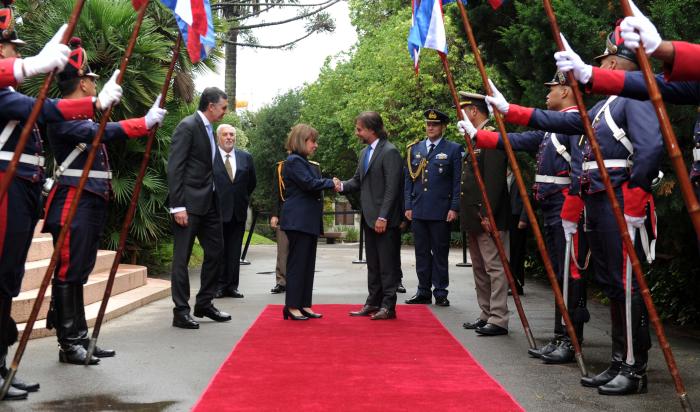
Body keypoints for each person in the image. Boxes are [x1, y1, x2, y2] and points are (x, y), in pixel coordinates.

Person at [486, 26, 662, 395]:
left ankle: (633, 366)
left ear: (615, 62)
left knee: (627, 285)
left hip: (618, 201)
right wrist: (511, 111)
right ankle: (619, 360)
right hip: (599, 200)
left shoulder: (636, 97)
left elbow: (649, 150)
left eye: (604, 62)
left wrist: (635, 196)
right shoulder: (602, 107)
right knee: (614, 284)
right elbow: (564, 121)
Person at [0, 19, 121, 399]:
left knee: (10, 279)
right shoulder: (8, 95)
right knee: (9, 278)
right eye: (11, 49)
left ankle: (2, 365)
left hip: (24, 193)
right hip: (18, 192)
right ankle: (69, 340)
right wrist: (97, 105)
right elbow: (45, 110)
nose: (16, 54)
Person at [43, 38, 166, 365]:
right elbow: (103, 133)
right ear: (82, 82)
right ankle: (69, 342)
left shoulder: (80, 115)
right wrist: (144, 123)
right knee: (70, 271)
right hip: (73, 200)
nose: (94, 86)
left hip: (90, 200)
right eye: (92, 80)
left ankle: (81, 337)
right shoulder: (61, 115)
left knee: (80, 271)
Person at [459, 74, 589, 362]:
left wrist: (573, 207)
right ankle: (561, 336)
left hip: (566, 208)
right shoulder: (550, 129)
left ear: (566, 90)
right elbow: (513, 140)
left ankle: (570, 339)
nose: (547, 94)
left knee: (569, 276)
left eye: (552, 88)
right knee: (558, 275)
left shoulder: (573, 124)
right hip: (551, 208)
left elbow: (580, 169)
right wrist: (479, 135)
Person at [554, 1, 700, 202]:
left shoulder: (630, 102)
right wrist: (590, 74)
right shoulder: (609, 104)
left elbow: (648, 148)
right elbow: (652, 84)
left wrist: (662, 49)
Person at [168, 87, 231, 329]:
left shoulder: (209, 129)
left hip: (209, 203)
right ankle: (180, 311)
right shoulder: (187, 126)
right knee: (181, 258)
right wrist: (177, 206)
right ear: (211, 105)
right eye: (223, 107)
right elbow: (175, 167)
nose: (225, 112)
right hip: (188, 205)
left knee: (216, 252)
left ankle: (204, 303)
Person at [339, 112, 403, 320]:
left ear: (372, 130)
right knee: (373, 264)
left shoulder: (390, 151)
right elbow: (357, 181)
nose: (357, 133)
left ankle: (388, 306)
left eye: (359, 129)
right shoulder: (364, 152)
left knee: (387, 264)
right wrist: (340, 186)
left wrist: (383, 217)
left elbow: (392, 189)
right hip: (369, 217)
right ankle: (373, 302)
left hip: (384, 220)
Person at [455, 93, 509, 336]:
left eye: (464, 110)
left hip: (488, 217)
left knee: (494, 267)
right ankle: (486, 313)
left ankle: (498, 318)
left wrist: (489, 214)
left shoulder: (491, 138)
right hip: (474, 217)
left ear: (474, 112)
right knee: (479, 267)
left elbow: (495, 182)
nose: (461, 115)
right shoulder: (474, 139)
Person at [279, 124, 338, 320]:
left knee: (307, 264)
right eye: (312, 141)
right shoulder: (294, 161)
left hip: (306, 221)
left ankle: (304, 304)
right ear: (301, 141)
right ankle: (292, 305)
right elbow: (309, 184)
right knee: (298, 264)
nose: (316, 145)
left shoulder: (303, 161)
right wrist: (332, 183)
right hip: (298, 220)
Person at [404, 109, 461, 307]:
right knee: (421, 252)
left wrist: (454, 207)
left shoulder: (453, 149)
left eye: (434, 125)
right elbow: (409, 181)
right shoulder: (415, 148)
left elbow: (457, 182)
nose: (430, 127)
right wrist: (408, 205)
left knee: (439, 252)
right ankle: (423, 291)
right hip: (419, 209)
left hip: (440, 210)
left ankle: (440, 291)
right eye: (428, 124)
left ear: (443, 127)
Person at [213, 124, 256, 299]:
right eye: (225, 134)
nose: (229, 137)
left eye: (232, 134)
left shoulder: (245, 157)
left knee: (234, 251)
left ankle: (232, 286)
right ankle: (218, 286)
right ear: (218, 137)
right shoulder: (211, 156)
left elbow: (251, 182)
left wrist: (241, 198)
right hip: (216, 211)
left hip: (238, 211)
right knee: (218, 251)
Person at [270, 156, 323, 294]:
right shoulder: (282, 166)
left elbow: (318, 193)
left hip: (306, 214)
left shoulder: (314, 166)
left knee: (302, 251)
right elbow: (276, 192)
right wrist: (275, 214)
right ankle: (281, 281)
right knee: (283, 250)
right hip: (285, 213)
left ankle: (299, 282)